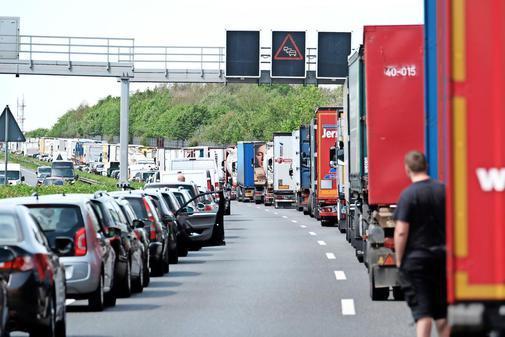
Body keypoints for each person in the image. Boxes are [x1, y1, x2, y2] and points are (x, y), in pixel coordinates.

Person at [393, 151, 449, 337]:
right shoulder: (443, 191)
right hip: (442, 257)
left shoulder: (408, 195)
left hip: (417, 261)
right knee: (441, 314)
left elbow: (401, 231)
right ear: (427, 166)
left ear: (407, 169)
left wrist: (399, 260)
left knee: (423, 313)